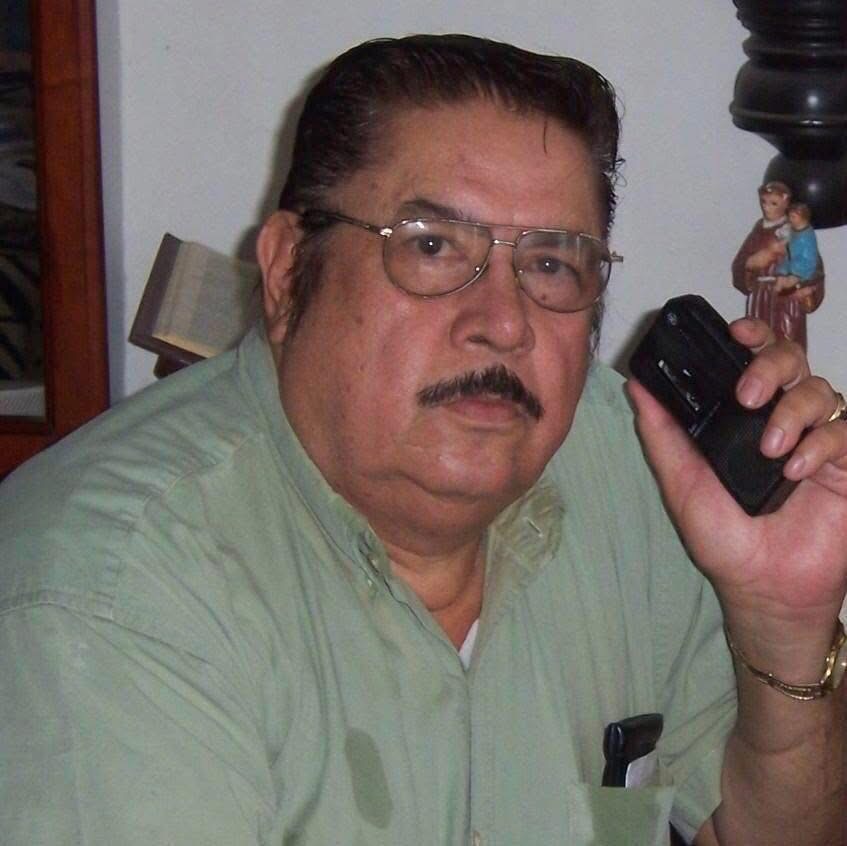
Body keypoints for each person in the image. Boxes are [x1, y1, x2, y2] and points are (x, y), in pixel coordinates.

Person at [1, 34, 846, 846]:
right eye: (432, 247)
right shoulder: (107, 595)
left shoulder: (642, 476)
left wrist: (785, 624)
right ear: (288, 272)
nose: (503, 323)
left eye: (550, 264)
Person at [732, 182, 824, 350]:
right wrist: (752, 262)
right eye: (764, 202)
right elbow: (740, 265)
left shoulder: (796, 231)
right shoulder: (758, 231)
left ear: (785, 201)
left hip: (786, 298)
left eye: (773, 203)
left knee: (786, 345)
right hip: (760, 297)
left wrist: (804, 289)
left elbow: (812, 264)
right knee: (757, 345)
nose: (766, 207)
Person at [773, 202, 825, 313]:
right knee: (779, 280)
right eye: (790, 216)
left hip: (803, 267)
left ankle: (788, 293)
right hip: (790, 261)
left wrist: (794, 270)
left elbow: (808, 258)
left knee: (787, 283)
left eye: (793, 217)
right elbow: (789, 245)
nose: (790, 219)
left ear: (803, 218)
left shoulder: (807, 236)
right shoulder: (793, 230)